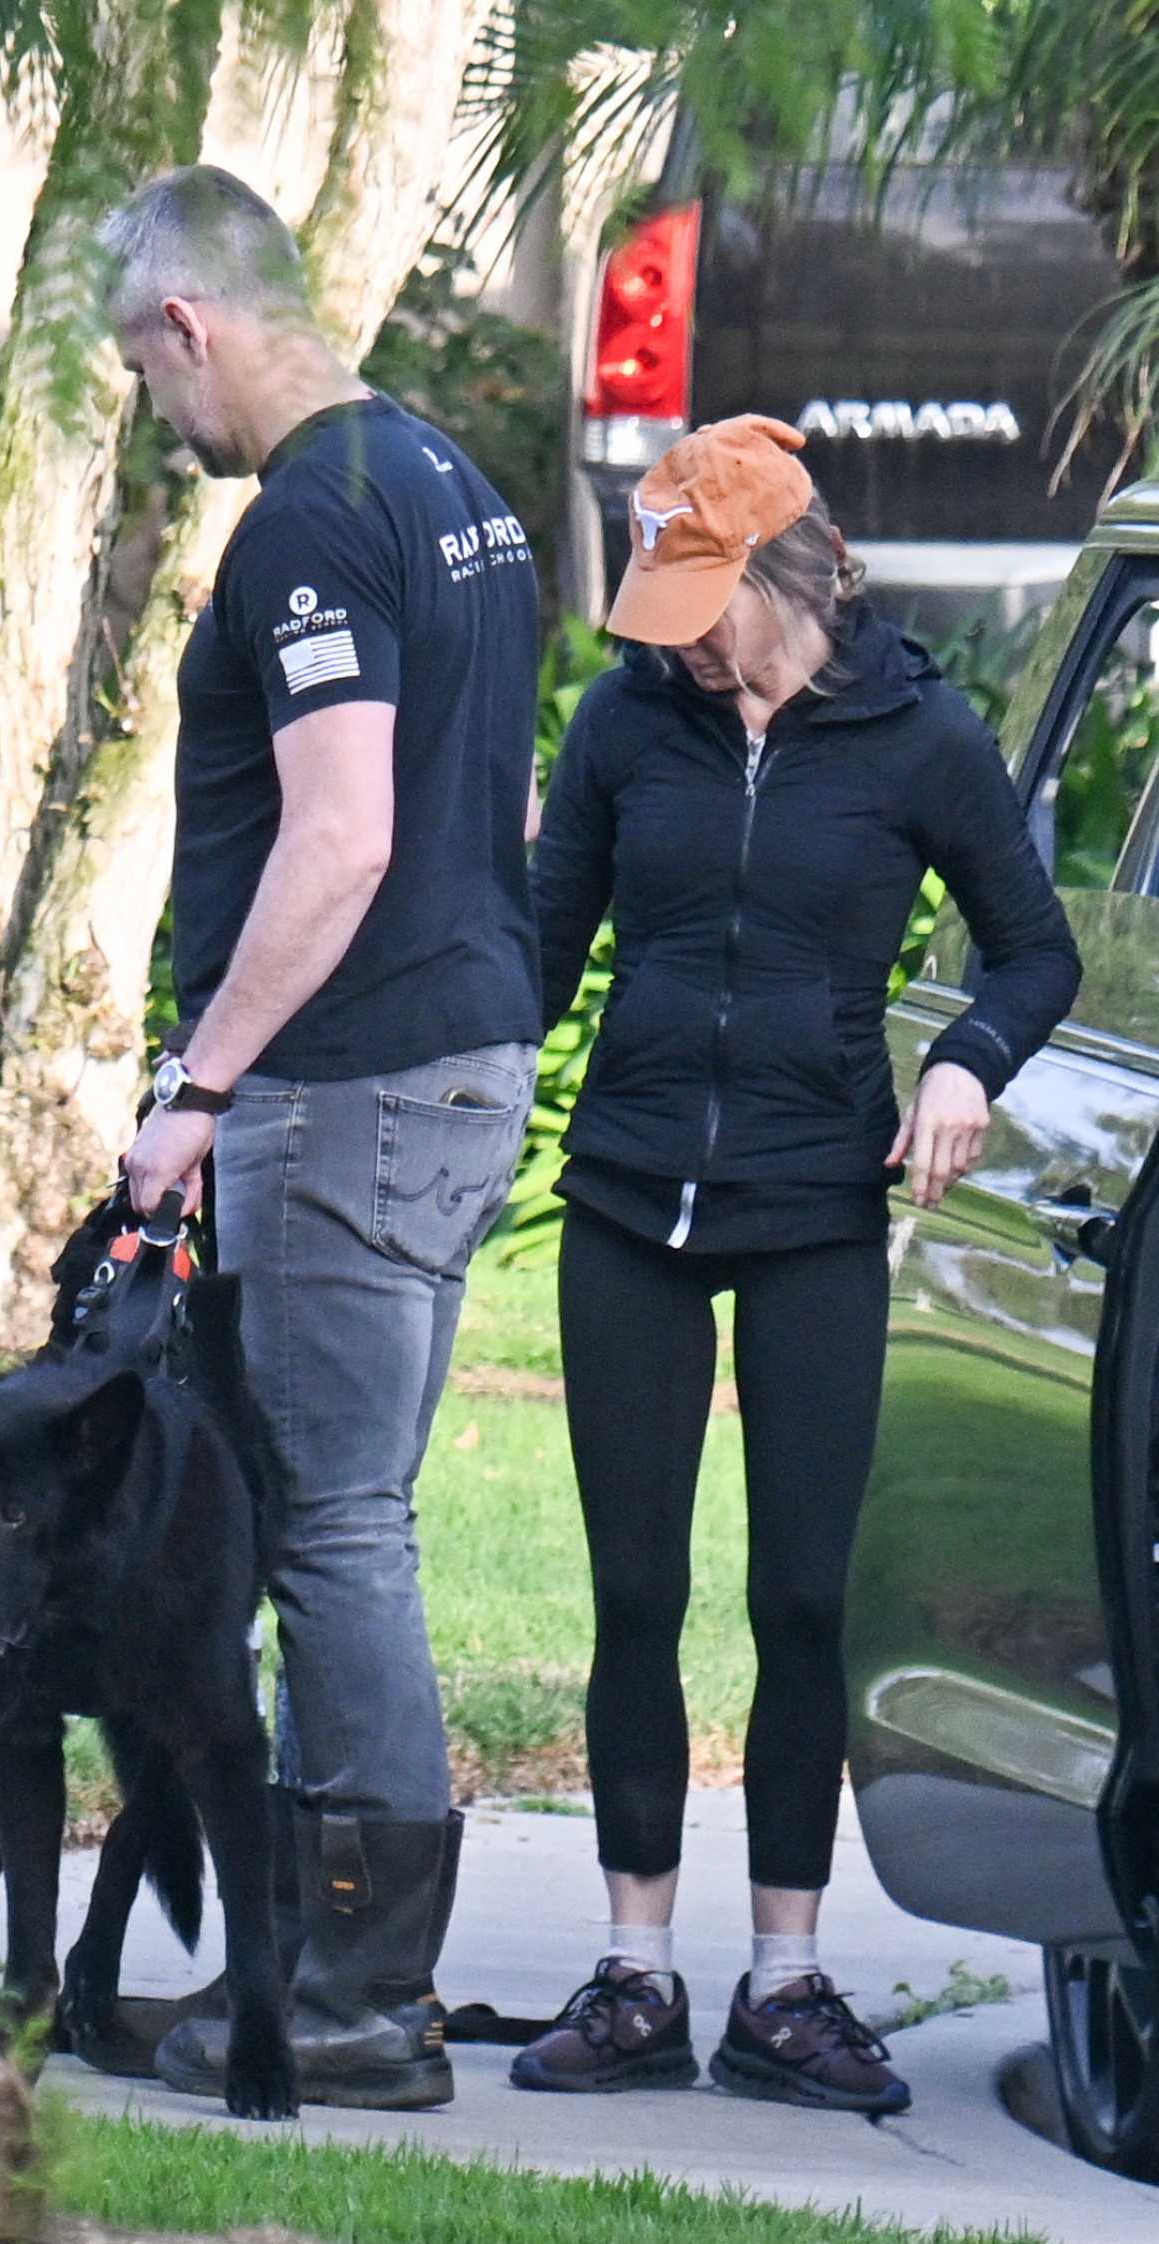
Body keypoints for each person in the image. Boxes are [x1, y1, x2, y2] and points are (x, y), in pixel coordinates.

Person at [513, 415, 1081, 2111]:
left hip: (816, 1205)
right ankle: (632, 1976)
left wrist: (968, 1058)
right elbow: (540, 949)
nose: (669, 636)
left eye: (697, 597)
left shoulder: (921, 738)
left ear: (778, 580)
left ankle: (783, 1980)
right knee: (636, 1595)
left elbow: (1035, 950)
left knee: (805, 1602)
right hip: (630, 1205)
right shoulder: (627, 723)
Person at [100, 165, 541, 2111]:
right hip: (455, 1056)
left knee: (337, 1531)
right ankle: (326, 1972)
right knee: (349, 1518)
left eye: (132, 361)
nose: (138, 402)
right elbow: (492, 797)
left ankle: (359, 1998)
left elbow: (344, 832)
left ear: (188, 325)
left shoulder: (304, 526)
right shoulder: (454, 487)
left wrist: (198, 1087)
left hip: (349, 1089)